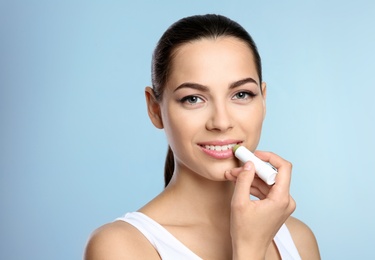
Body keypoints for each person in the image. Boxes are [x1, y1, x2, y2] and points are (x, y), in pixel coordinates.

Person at [84, 14, 320, 259]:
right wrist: (250, 249)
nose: (221, 122)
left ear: (263, 100)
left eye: (241, 95)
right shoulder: (121, 246)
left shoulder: (299, 239)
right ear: (155, 110)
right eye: (193, 99)